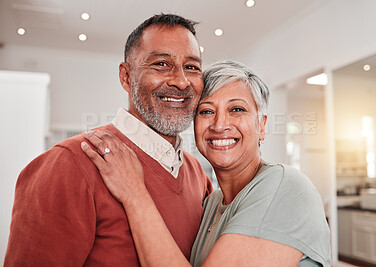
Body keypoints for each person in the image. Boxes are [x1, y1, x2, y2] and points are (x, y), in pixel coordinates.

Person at [4, 14, 212, 266]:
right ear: (126, 77)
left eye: (192, 67)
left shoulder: (197, 176)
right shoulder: (68, 163)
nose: (181, 81)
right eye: (161, 64)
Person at [82, 60, 332, 266]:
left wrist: (134, 194)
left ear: (262, 125)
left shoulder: (286, 187)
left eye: (237, 110)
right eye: (206, 111)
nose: (219, 125)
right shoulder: (212, 202)